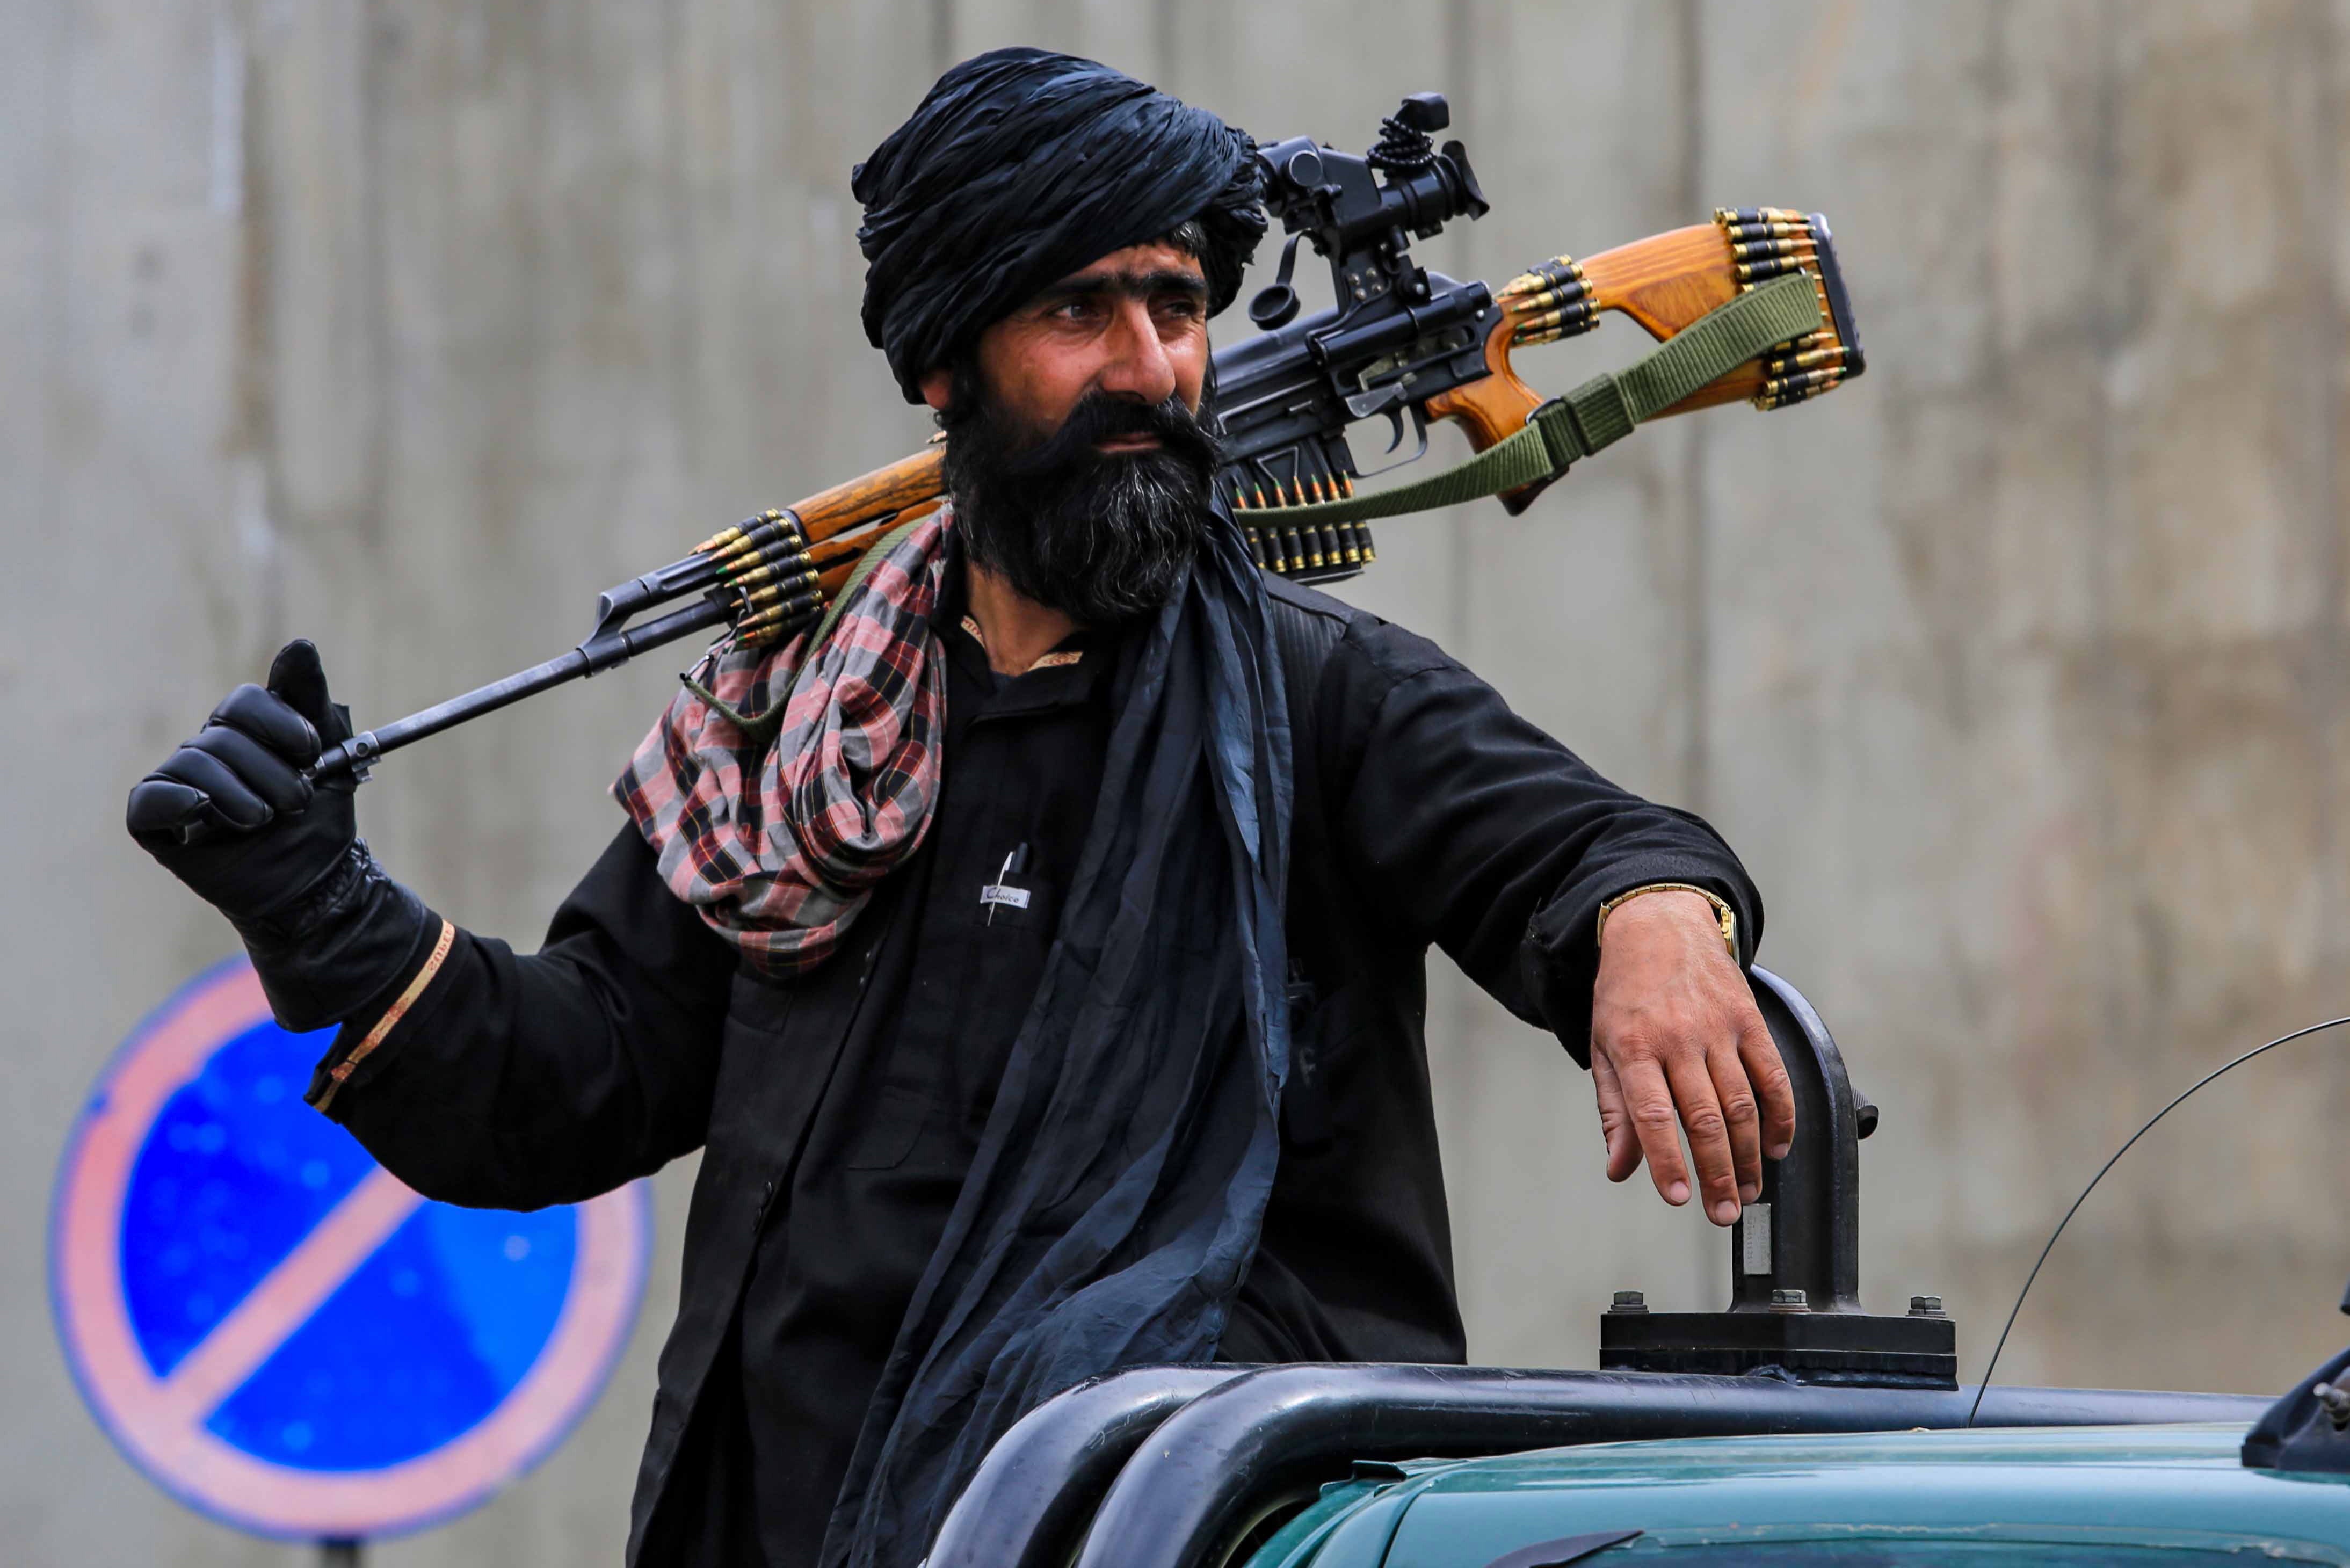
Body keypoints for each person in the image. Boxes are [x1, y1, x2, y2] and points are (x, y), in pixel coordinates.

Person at [127, 48, 1795, 1568]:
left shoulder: (1319, 698)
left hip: (1167, 1535)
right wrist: (322, 912)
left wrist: (1652, 920)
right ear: (946, 365)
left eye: (1181, 305)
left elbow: (1575, 846)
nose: (1154, 368)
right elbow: (572, 1084)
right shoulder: (792, 727)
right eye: (1085, 312)